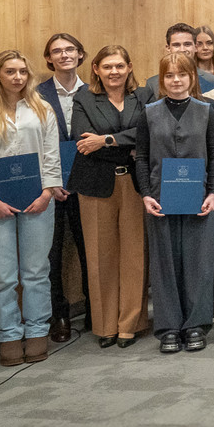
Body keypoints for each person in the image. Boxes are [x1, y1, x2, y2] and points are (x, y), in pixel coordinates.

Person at [0, 50, 62, 366]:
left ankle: (37, 332)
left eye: (22, 71)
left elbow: (51, 155)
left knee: (36, 272)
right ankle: (9, 336)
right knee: (2, 276)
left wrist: (48, 192)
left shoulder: (42, 109)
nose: (18, 77)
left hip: (39, 200)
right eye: (10, 71)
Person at [136, 51, 214, 354]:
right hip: (160, 199)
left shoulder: (206, 111)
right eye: (169, 75)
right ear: (161, 79)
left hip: (199, 199)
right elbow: (141, 158)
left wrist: (212, 192)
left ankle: (196, 324)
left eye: (182, 74)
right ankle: (169, 327)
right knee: (164, 264)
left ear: (192, 77)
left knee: (198, 262)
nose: (176, 80)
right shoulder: (148, 113)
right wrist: (145, 193)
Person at [69, 46, 148, 348]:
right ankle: (105, 326)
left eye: (119, 66)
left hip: (134, 183)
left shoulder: (143, 96)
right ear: (96, 69)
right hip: (95, 184)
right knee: (100, 256)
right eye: (107, 66)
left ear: (129, 67)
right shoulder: (84, 98)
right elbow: (82, 139)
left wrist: (106, 140)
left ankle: (130, 324)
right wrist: (125, 142)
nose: (114, 72)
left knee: (134, 255)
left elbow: (147, 133)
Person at [38, 32, 89, 341]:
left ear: (80, 54)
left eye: (70, 49)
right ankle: (59, 315)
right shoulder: (37, 94)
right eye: (57, 51)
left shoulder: (94, 91)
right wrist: (52, 182)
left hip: (87, 184)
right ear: (49, 58)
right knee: (52, 255)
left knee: (90, 251)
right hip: (50, 187)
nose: (64, 55)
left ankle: (96, 308)